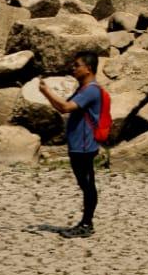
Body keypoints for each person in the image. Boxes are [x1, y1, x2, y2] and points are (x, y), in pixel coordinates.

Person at [39, 51, 105, 237]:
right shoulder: (83, 89)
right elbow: (63, 107)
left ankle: (86, 224)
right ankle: (86, 223)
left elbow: (65, 108)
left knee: (87, 184)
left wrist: (46, 92)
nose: (73, 68)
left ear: (89, 68)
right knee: (85, 184)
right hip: (79, 144)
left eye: (77, 65)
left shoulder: (91, 90)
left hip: (84, 145)